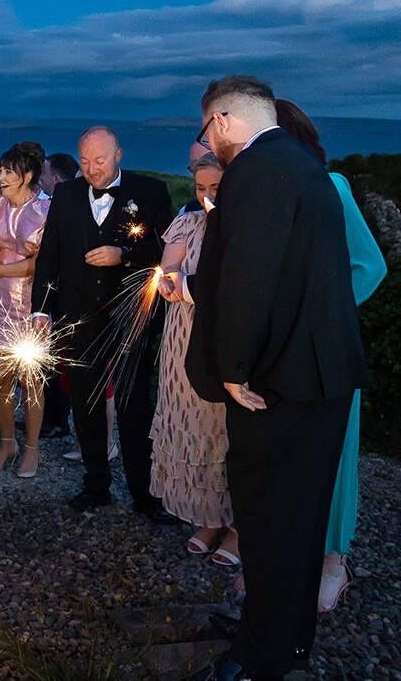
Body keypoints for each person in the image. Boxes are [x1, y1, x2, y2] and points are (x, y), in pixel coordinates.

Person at [181, 77, 367, 681]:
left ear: (223, 119)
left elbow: (248, 277)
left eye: (207, 129)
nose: (208, 143)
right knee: (298, 518)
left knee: (268, 518)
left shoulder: (255, 170)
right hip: (319, 373)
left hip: (279, 379)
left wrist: (234, 369)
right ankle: (283, 639)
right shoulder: (305, 164)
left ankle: (259, 658)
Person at [272, 99, 387, 613]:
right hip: (278, 351)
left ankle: (334, 561)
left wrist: (321, 316)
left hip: (325, 348)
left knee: (334, 454)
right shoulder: (263, 195)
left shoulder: (332, 186)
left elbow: (370, 265)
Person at [30, 127, 176, 520]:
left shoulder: (151, 191)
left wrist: (123, 254)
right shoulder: (66, 195)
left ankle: (144, 494)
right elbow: (49, 256)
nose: (92, 169)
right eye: (85, 161)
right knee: (85, 401)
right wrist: (41, 310)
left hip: (130, 316)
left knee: (134, 403)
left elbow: (166, 246)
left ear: (118, 155)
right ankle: (96, 486)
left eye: (100, 160)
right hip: (78, 315)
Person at [151, 150, 234, 561]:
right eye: (200, 188)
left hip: (223, 337)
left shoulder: (246, 227)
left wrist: (186, 285)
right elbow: (170, 266)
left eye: (215, 188)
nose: (207, 197)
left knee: (224, 431)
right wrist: (168, 280)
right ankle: (209, 516)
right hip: (182, 338)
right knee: (193, 422)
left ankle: (238, 525)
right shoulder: (187, 222)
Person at [0, 142, 51, 477]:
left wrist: (0, 270)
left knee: (31, 381)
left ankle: (31, 449)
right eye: (1, 170)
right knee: (1, 378)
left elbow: (41, 263)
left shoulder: (45, 210)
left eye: (7, 172)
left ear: (27, 176)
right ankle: (6, 443)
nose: (0, 177)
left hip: (31, 304)